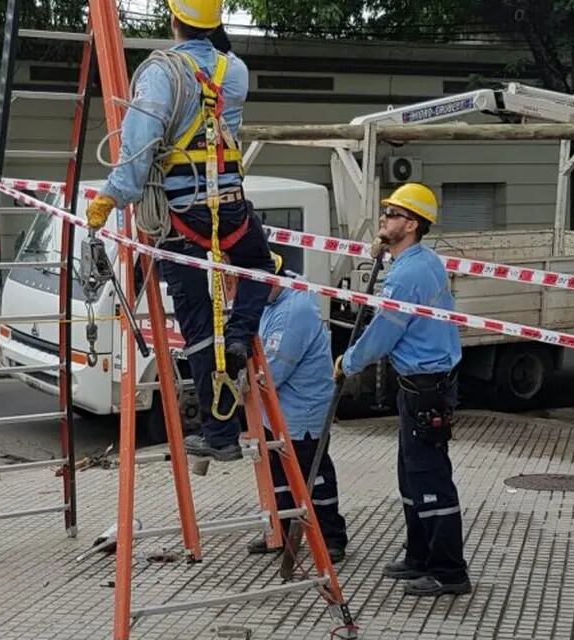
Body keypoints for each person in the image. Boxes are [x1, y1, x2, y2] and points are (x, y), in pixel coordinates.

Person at [85, 0, 275, 461]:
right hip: (231, 208)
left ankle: (220, 435)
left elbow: (137, 149)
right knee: (259, 267)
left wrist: (109, 198)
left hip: (180, 215)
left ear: (172, 20)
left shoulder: (159, 73)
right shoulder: (235, 70)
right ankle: (241, 331)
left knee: (198, 325)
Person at [336, 183, 471, 596]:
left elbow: (383, 335)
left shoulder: (409, 274)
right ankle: (419, 555)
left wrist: (348, 362)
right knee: (410, 477)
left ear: (411, 224)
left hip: (424, 389)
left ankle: (449, 571)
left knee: (429, 479)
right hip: (419, 386)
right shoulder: (418, 262)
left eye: (392, 215)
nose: (384, 219)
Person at [245, 253, 347, 562]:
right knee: (278, 475)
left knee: (313, 476)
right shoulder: (270, 303)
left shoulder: (294, 310)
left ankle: (331, 536)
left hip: (303, 413)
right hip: (276, 412)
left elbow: (274, 369)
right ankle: (280, 532)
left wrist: (240, 390)